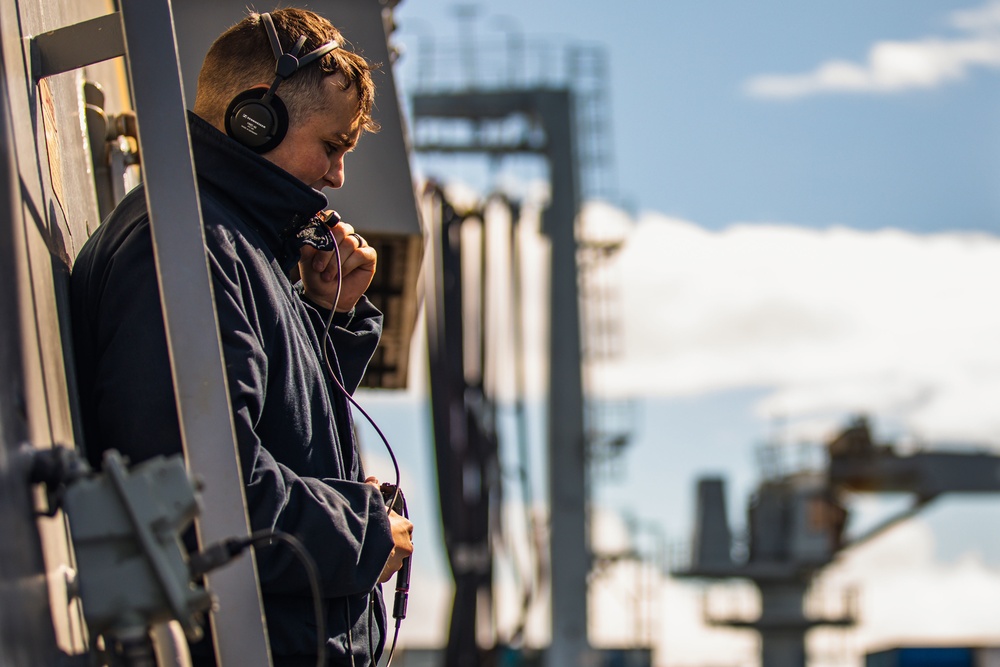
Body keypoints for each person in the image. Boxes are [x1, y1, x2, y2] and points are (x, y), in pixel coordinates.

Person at [69, 7, 413, 666]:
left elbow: (267, 431)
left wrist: (327, 315)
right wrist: (363, 532)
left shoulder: (231, 245)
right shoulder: (191, 248)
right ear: (258, 121)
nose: (338, 177)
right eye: (333, 146)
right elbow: (201, 493)